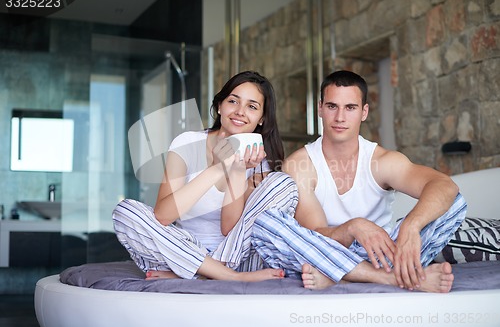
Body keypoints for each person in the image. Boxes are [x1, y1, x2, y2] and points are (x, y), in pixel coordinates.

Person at [251, 70, 467, 293]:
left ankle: (341, 277)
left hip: (382, 255)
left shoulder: (382, 161)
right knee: (264, 222)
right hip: (326, 253)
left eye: (350, 108)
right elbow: (314, 235)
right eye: (332, 106)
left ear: (364, 111)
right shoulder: (300, 164)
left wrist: (412, 227)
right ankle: (388, 279)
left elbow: (443, 185)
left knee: (453, 201)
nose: (340, 117)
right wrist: (354, 227)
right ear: (320, 109)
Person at [112, 71, 297, 282]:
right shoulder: (187, 143)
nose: (240, 112)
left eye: (252, 107)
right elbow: (163, 215)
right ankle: (222, 275)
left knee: (282, 184)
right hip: (180, 250)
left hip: (238, 258)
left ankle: (206, 273)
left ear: (262, 118)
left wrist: (236, 170)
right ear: (220, 106)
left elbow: (230, 229)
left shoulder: (259, 159)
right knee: (125, 212)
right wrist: (217, 168)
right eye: (233, 101)